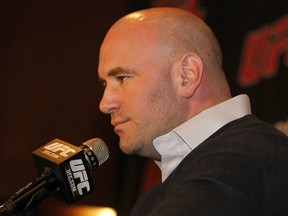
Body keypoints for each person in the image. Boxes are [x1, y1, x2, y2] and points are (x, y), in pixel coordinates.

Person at [97, 7, 288, 216]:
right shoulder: (155, 196)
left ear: (187, 75)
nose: (105, 104)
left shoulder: (243, 161)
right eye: (105, 84)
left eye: (123, 78)